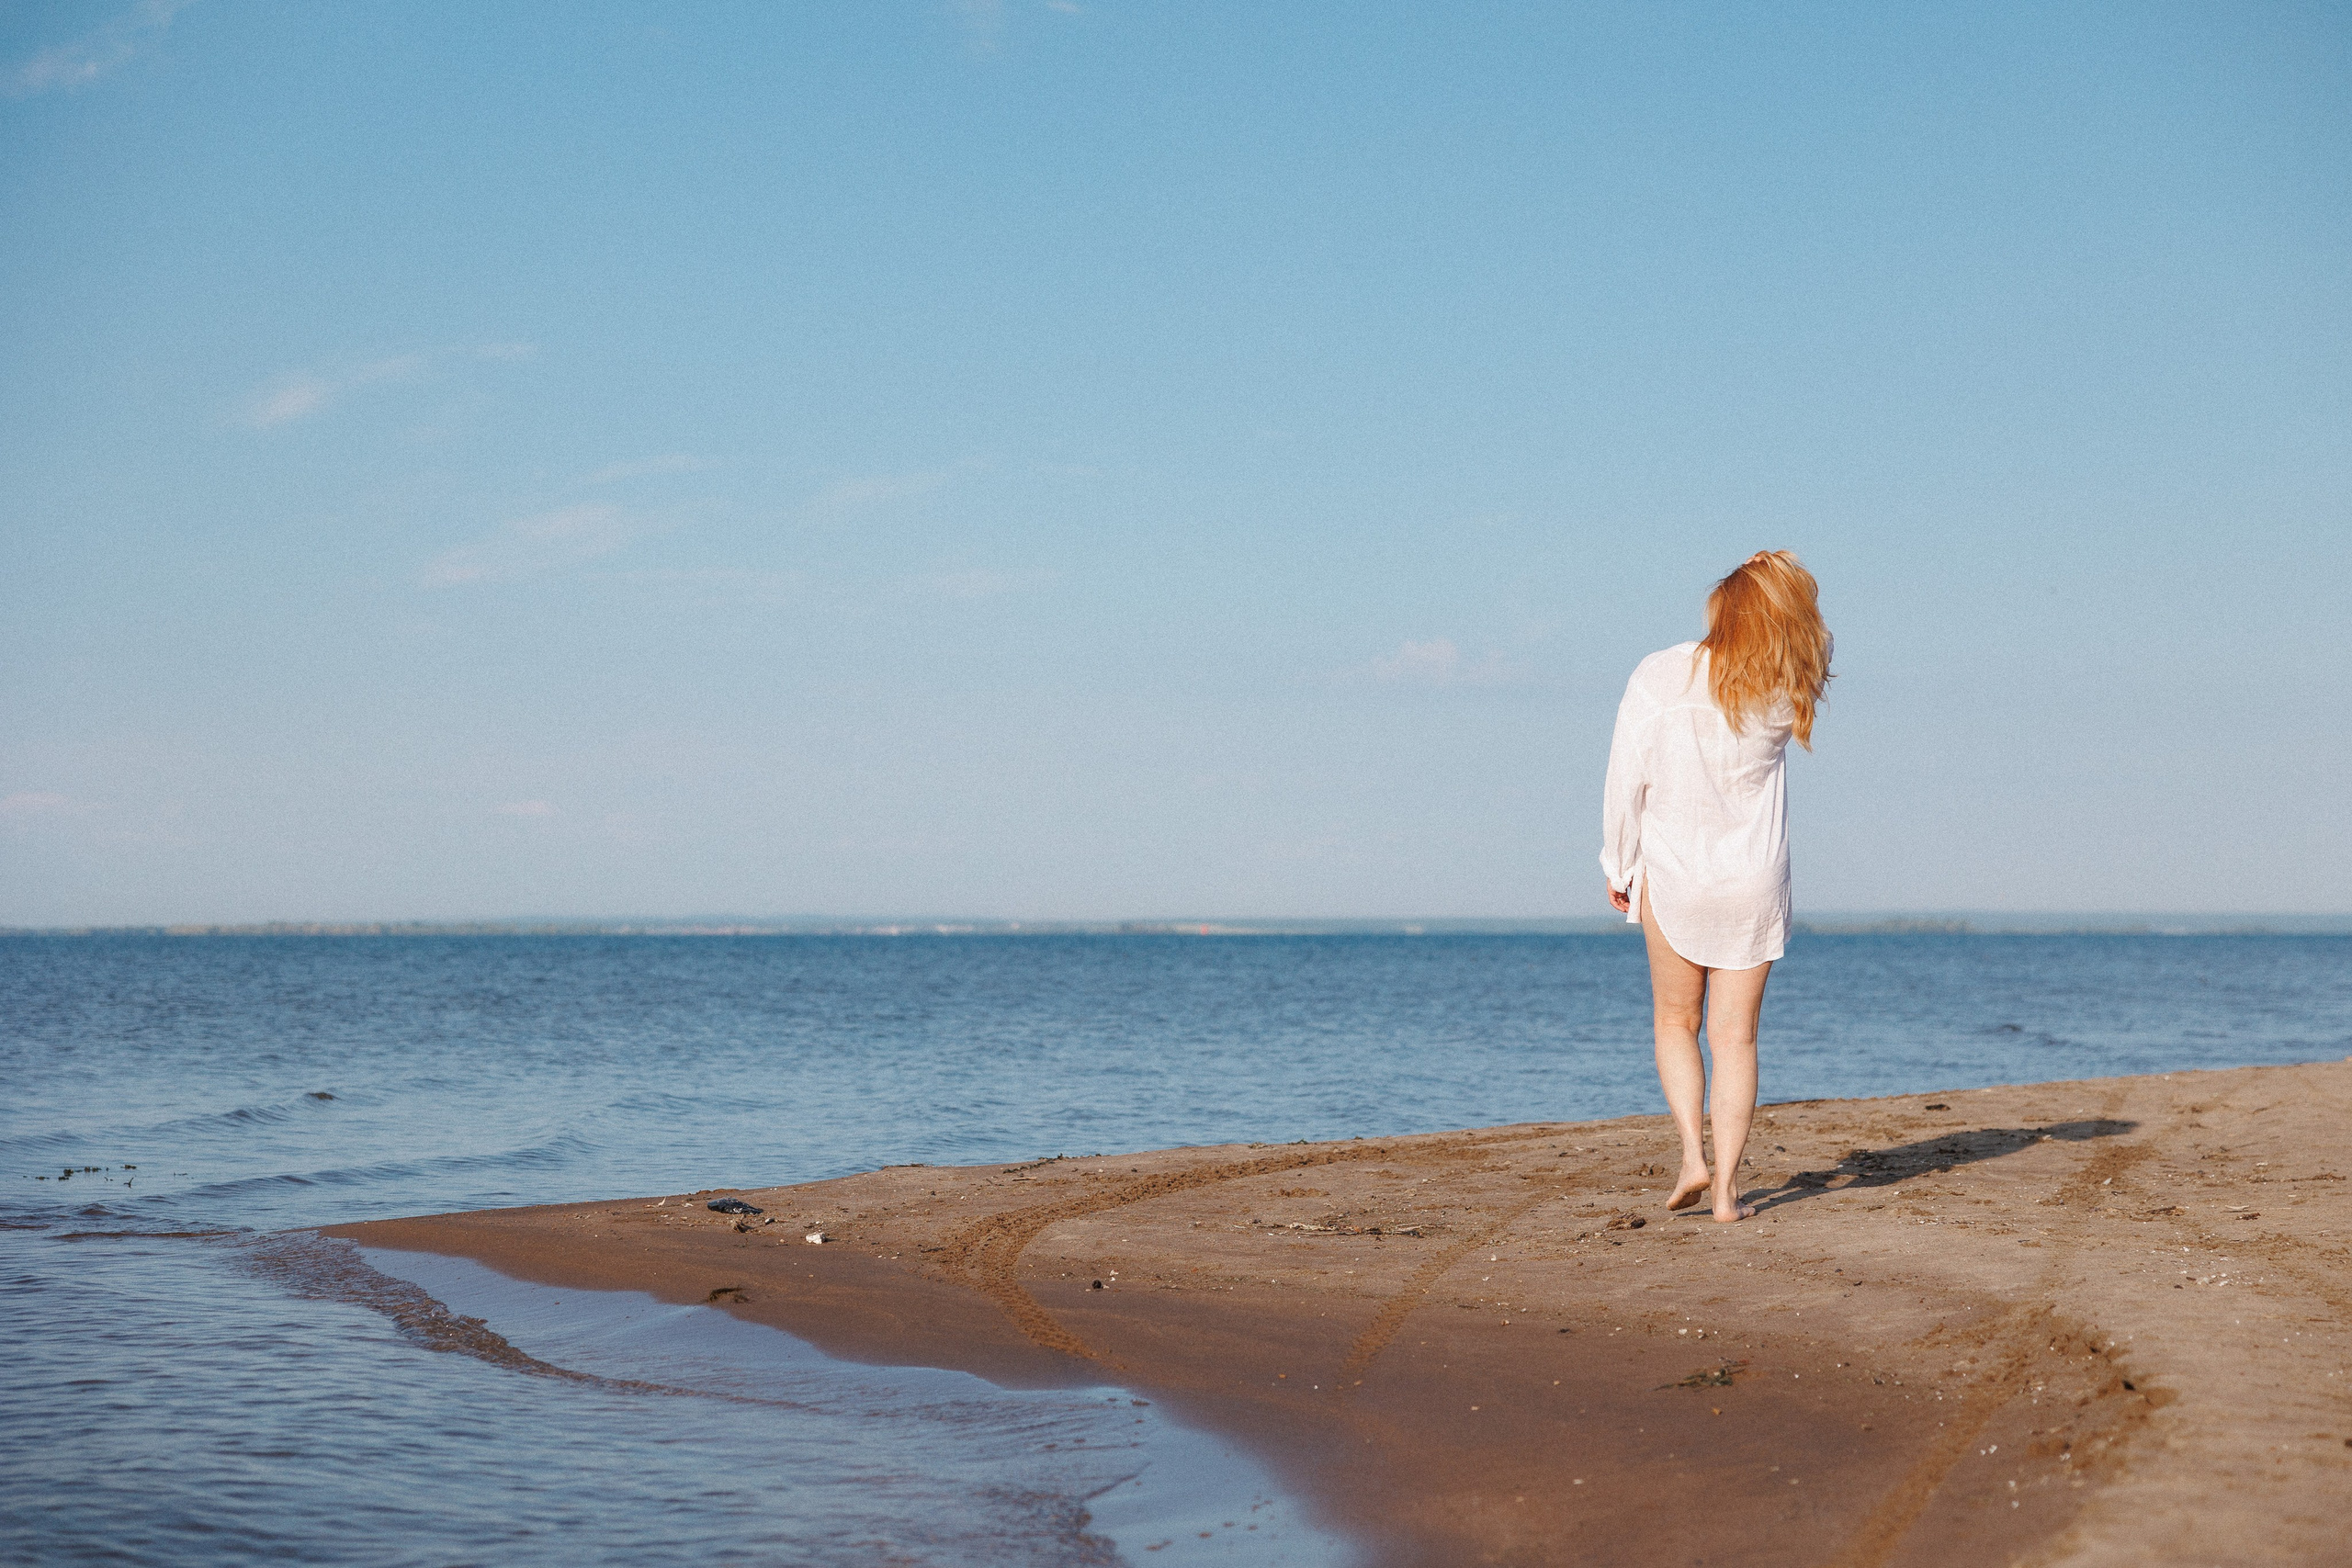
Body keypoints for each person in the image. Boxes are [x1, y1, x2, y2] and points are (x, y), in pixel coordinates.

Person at [1599, 550, 1833, 1223]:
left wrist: (1618, 863)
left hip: (1674, 874)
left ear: (1719, 610)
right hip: (1752, 882)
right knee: (1737, 1038)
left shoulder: (1660, 673)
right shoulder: (1784, 691)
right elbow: (1815, 639)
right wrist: (1779, 581)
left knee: (1677, 1020)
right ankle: (1728, 1190)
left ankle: (1692, 1156)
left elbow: (1625, 778)